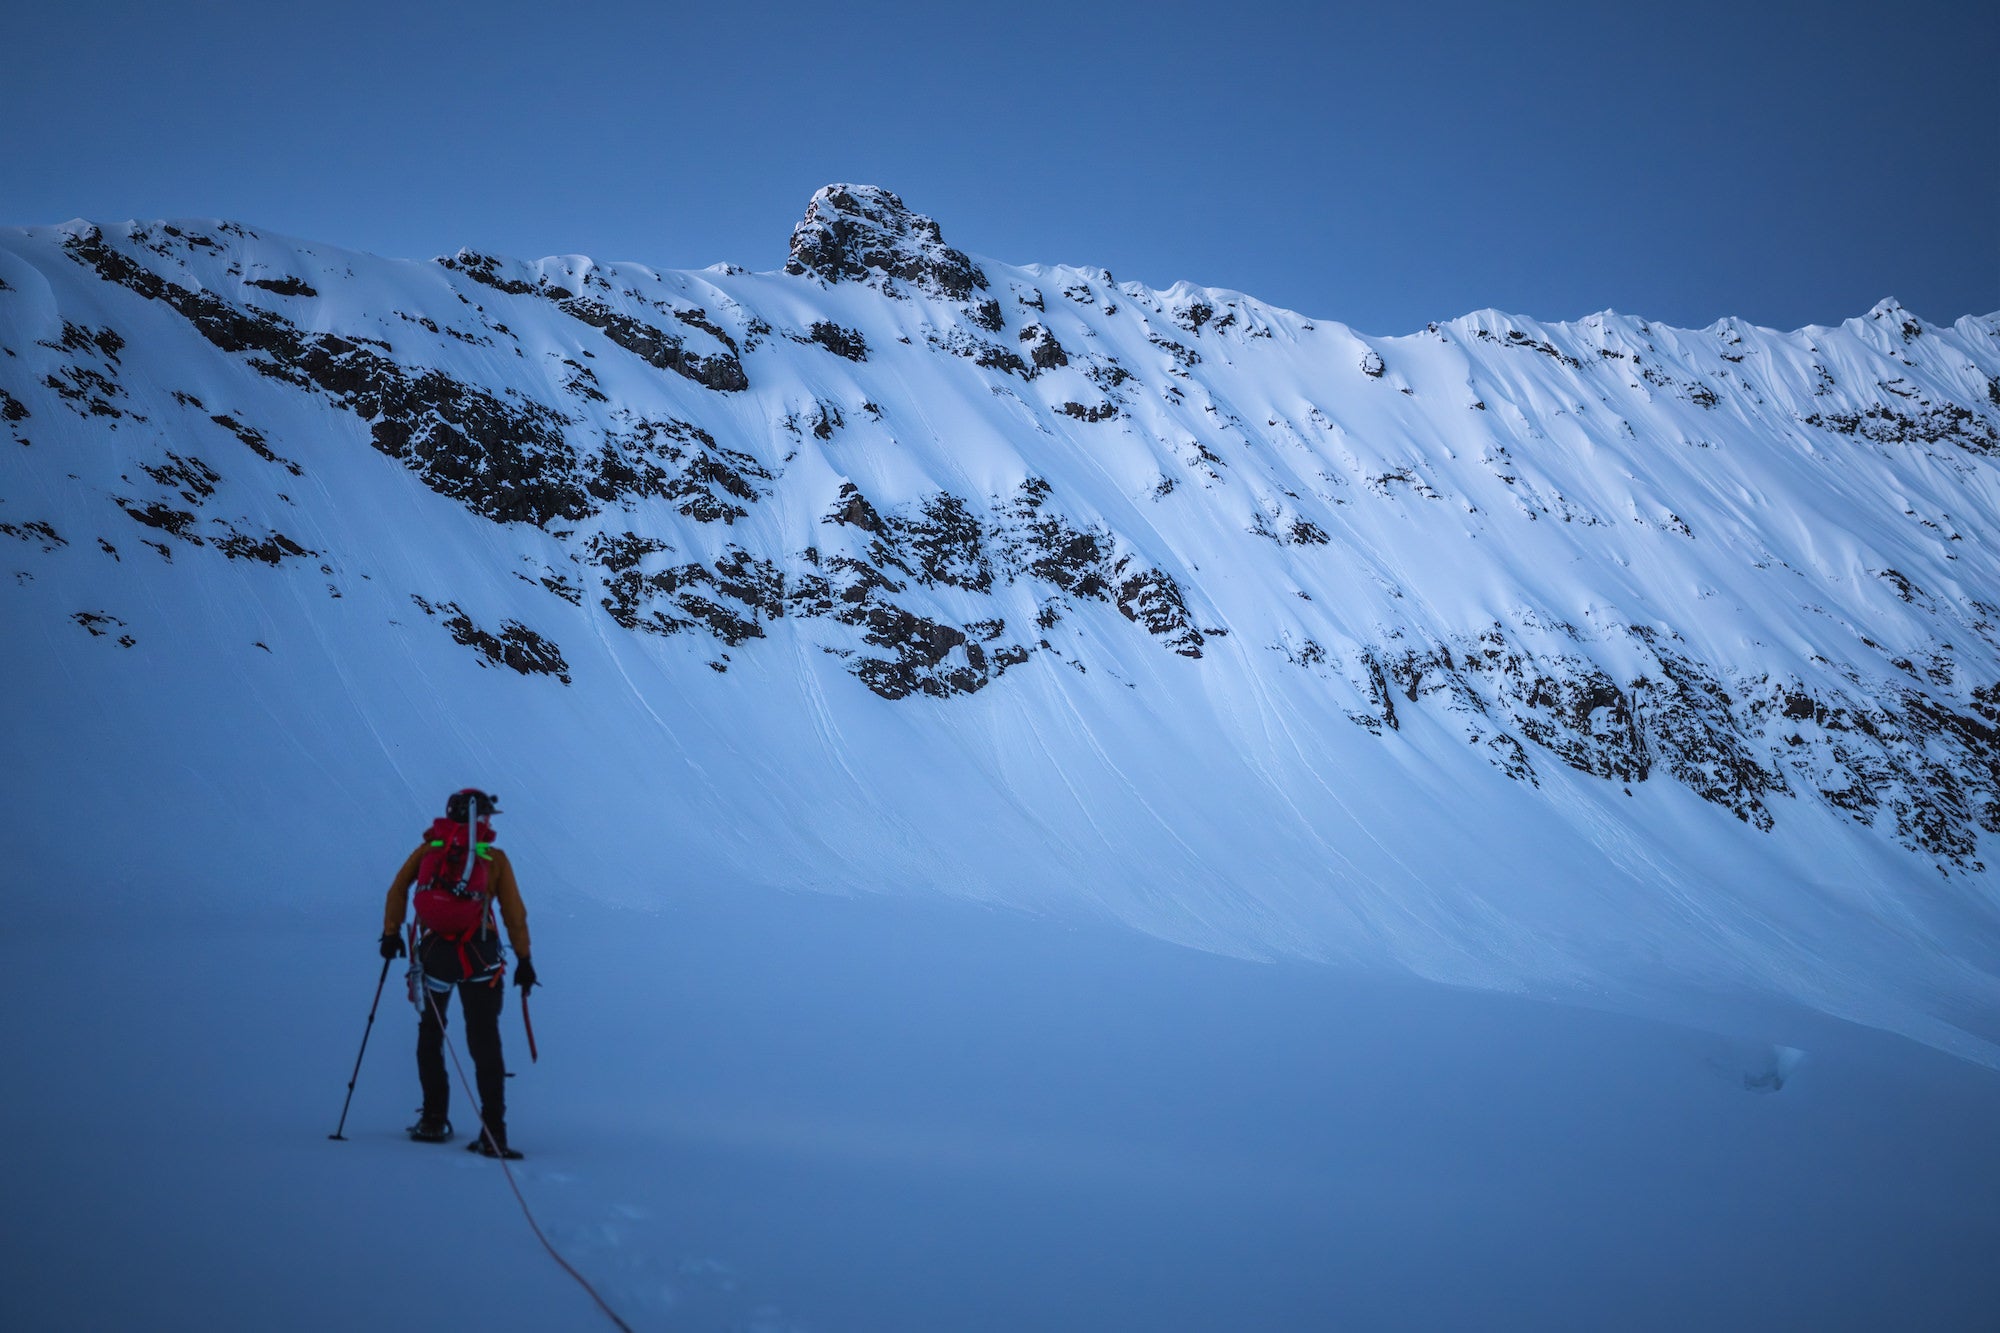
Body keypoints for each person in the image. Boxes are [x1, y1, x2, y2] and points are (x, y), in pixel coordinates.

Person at [379, 787, 537, 1158]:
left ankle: (433, 1119)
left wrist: (391, 934)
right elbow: (514, 914)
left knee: (431, 1034)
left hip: (436, 956)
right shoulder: (494, 858)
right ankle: (493, 1133)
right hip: (481, 957)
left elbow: (397, 890)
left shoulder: (428, 852)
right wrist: (525, 959)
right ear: (483, 818)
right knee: (485, 1041)